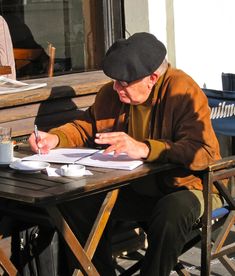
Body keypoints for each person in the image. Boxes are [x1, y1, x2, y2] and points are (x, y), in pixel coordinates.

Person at [28, 32, 223, 275]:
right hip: (137, 188)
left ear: (152, 78)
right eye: (114, 81)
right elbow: (86, 126)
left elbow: (202, 151)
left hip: (188, 186)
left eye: (124, 83)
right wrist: (55, 137)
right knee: (76, 201)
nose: (116, 87)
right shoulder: (112, 94)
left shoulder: (183, 92)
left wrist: (146, 148)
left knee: (171, 212)